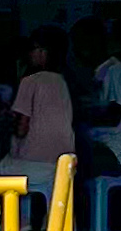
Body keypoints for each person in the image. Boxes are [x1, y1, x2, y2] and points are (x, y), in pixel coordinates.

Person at [8, 32, 75, 218]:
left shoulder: (30, 81)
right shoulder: (63, 81)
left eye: (31, 50)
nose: (28, 55)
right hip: (65, 165)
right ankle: (29, 227)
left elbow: (21, 129)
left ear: (43, 52)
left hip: (34, 166)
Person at [78, 18, 121, 173]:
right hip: (105, 146)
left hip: (116, 151)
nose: (76, 52)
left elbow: (113, 116)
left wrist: (81, 115)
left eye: (79, 44)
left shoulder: (114, 72)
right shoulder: (101, 73)